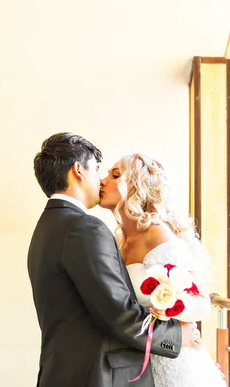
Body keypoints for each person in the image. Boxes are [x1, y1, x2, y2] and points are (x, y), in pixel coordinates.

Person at [27, 133, 200, 387]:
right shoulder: (83, 228)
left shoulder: (45, 229)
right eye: (98, 169)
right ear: (79, 170)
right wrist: (177, 335)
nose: (102, 179)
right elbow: (119, 314)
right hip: (95, 376)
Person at [99, 153, 227, 387]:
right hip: (140, 360)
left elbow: (201, 304)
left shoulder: (156, 234)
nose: (102, 180)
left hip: (174, 362)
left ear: (134, 187)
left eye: (114, 175)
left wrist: (171, 309)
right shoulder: (120, 242)